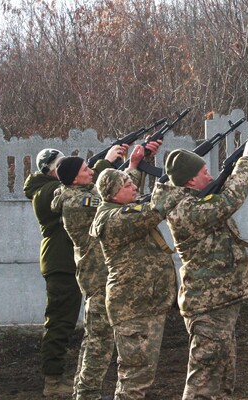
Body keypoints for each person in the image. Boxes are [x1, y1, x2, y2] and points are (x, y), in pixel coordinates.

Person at [156, 124, 248, 400]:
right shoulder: (186, 210)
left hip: (220, 302)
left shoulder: (195, 201)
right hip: (207, 306)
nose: (210, 176)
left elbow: (228, 187)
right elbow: (231, 198)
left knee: (223, 380)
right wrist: (247, 156)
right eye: (204, 173)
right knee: (203, 383)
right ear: (190, 182)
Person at [89, 141, 184, 400]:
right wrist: (180, 176)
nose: (134, 186)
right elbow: (155, 210)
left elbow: (123, 186)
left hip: (144, 303)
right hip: (134, 308)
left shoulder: (115, 207)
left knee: (141, 373)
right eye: (127, 186)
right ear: (112, 195)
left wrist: (133, 165)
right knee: (135, 376)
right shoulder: (115, 219)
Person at [51, 143, 132, 400]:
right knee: (99, 342)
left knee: (96, 340)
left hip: (98, 275)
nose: (92, 171)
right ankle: (87, 395)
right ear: (75, 178)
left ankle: (84, 393)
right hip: (97, 278)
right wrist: (129, 169)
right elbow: (113, 198)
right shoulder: (78, 201)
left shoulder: (76, 194)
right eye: (87, 169)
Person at [23, 148, 83, 397]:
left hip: (68, 263)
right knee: (59, 323)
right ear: (49, 170)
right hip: (61, 264)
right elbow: (72, 191)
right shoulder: (44, 191)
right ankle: (53, 382)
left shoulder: (52, 187)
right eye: (60, 165)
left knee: (67, 323)